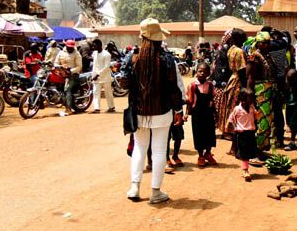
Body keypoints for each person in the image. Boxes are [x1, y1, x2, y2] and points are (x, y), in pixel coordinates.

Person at [124, 18, 183, 204]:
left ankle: (135, 187)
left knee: (140, 148)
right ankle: (155, 192)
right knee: (159, 151)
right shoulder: (167, 60)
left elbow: (126, 84)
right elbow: (174, 88)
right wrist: (179, 109)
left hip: (139, 111)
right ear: (158, 38)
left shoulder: (133, 58)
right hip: (162, 111)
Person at [246, 31, 276, 152]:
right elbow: (250, 78)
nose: (267, 45)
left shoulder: (268, 55)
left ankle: (263, 147)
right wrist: (250, 95)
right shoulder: (254, 57)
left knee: (267, 121)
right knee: (261, 121)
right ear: (258, 44)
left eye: (269, 43)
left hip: (269, 93)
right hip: (260, 93)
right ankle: (257, 150)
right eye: (264, 43)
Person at [215, 29, 247, 142]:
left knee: (229, 106)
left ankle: (227, 130)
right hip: (237, 80)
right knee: (235, 106)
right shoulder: (239, 51)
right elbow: (242, 70)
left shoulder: (231, 49)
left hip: (231, 79)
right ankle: (232, 131)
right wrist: (245, 86)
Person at [185, 62, 217, 167]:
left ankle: (208, 153)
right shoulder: (192, 86)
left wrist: (215, 113)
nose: (202, 73)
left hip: (208, 113)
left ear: (209, 73)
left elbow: (212, 99)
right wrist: (186, 113)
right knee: (199, 134)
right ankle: (200, 156)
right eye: (200, 71)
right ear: (196, 72)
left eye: (205, 71)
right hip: (197, 114)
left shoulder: (210, 86)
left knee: (210, 134)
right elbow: (189, 101)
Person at [228, 88, 257, 181]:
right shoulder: (237, 109)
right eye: (250, 98)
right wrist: (235, 128)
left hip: (251, 132)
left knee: (250, 151)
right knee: (244, 152)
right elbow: (231, 119)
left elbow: (255, 116)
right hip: (242, 133)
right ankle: (245, 170)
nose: (252, 100)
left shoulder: (252, 107)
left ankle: (246, 167)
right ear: (243, 99)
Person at [54, 39, 83, 113]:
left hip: (72, 75)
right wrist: (60, 67)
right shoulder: (60, 53)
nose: (70, 48)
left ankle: (68, 108)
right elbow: (55, 63)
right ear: (66, 46)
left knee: (67, 89)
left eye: (71, 47)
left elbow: (79, 67)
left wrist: (70, 71)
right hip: (60, 74)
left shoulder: (77, 54)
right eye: (69, 47)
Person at [90, 38, 115, 113]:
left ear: (99, 45)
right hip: (96, 77)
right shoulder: (94, 53)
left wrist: (97, 75)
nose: (93, 47)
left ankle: (111, 107)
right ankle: (96, 108)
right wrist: (93, 75)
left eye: (94, 46)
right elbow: (95, 65)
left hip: (105, 77)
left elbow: (106, 67)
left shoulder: (107, 54)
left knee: (108, 93)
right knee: (95, 92)